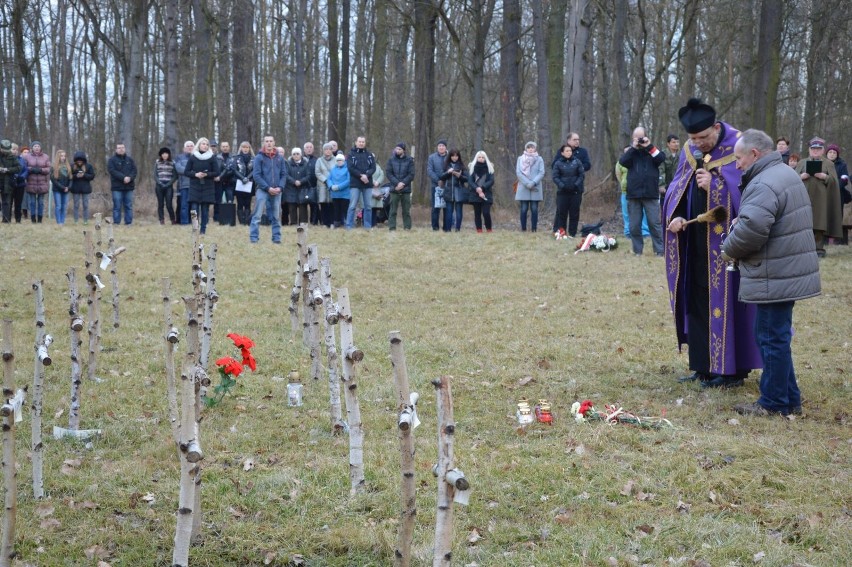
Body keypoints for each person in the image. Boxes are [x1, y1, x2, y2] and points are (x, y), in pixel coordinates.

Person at [721, 129, 820, 416]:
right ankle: (789, 398)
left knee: (769, 336)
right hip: (784, 269)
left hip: (774, 272)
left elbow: (753, 230)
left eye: (739, 158)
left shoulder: (763, 182)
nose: (736, 165)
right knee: (775, 335)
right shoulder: (782, 172)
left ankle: (774, 402)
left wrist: (728, 249)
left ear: (754, 154)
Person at [664, 97, 761, 388]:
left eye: (704, 137)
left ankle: (731, 371)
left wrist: (716, 186)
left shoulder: (739, 147)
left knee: (726, 302)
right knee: (696, 299)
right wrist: (676, 216)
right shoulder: (689, 150)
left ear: (716, 128)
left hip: (725, 245)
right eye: (693, 138)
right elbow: (676, 188)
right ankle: (703, 365)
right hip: (694, 241)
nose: (699, 143)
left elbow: (750, 196)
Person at [619, 127, 665, 255]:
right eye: (636, 137)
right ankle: (637, 251)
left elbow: (661, 158)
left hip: (650, 194)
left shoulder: (652, 152)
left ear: (646, 136)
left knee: (654, 224)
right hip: (633, 194)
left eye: (641, 137)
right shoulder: (631, 153)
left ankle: (660, 251)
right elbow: (622, 162)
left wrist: (649, 146)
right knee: (634, 225)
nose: (639, 140)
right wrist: (634, 148)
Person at [794, 137, 842, 257]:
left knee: (819, 224)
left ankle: (819, 249)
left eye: (818, 149)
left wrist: (824, 177)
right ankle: (804, 248)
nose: (815, 151)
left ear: (822, 150)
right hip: (803, 197)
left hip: (821, 199)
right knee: (804, 223)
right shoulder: (801, 163)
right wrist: (801, 176)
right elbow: (792, 180)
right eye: (813, 149)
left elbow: (834, 182)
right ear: (809, 150)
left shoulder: (829, 164)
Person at [250, 135, 286, 243]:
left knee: (276, 216)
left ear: (274, 142)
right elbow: (256, 175)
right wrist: (267, 187)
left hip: (277, 191)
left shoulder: (280, 158)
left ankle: (276, 239)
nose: (269, 143)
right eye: (267, 141)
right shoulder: (259, 157)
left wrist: (280, 187)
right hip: (262, 190)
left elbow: (284, 174)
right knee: (257, 215)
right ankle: (254, 239)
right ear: (264, 143)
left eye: (271, 141)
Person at [184, 137, 221, 234]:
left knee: (205, 209)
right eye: (203, 144)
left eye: (207, 144)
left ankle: (203, 229)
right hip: (195, 186)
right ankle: (195, 228)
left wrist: (207, 174)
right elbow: (186, 172)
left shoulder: (212, 158)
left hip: (207, 186)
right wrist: (195, 174)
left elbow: (217, 172)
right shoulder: (193, 157)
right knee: (194, 208)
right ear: (199, 145)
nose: (205, 146)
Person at [552, 143, 585, 238]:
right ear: (562, 153)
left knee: (574, 213)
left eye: (570, 151)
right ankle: (562, 233)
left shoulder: (577, 162)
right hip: (562, 192)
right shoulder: (558, 163)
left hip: (575, 191)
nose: (569, 152)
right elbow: (555, 177)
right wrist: (563, 185)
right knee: (562, 213)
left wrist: (575, 185)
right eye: (567, 151)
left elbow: (581, 175)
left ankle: (572, 233)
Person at [615, 150, 650, 238]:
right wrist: (624, 183)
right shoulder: (620, 163)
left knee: (642, 212)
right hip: (625, 192)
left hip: (639, 191)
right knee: (626, 213)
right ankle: (628, 232)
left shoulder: (639, 161)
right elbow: (618, 175)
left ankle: (644, 231)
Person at [346, 136, 376, 229]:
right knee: (352, 206)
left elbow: (373, 168)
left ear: (365, 143)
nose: (361, 143)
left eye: (363, 142)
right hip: (355, 184)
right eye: (359, 141)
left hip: (367, 184)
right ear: (356, 142)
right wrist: (361, 176)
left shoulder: (369, 155)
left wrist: (366, 175)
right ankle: (349, 226)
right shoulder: (351, 154)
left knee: (368, 206)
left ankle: (367, 226)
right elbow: (351, 168)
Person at [515, 141, 545, 232]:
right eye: (529, 147)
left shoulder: (539, 159)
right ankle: (523, 229)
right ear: (526, 148)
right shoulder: (520, 158)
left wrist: (533, 182)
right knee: (523, 209)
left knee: (534, 209)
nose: (531, 149)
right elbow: (518, 173)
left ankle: (534, 229)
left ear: (535, 148)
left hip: (535, 186)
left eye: (532, 147)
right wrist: (527, 183)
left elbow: (541, 172)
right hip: (523, 186)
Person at [386, 142, 415, 231]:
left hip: (406, 189)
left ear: (404, 150)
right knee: (393, 210)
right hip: (394, 188)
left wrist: (402, 183)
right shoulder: (391, 160)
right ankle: (392, 228)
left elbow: (411, 174)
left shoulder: (410, 160)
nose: (397, 150)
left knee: (406, 210)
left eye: (399, 149)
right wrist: (397, 183)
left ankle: (407, 227)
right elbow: (389, 173)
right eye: (396, 149)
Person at [107, 142, 138, 225]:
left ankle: (128, 222)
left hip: (129, 186)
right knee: (117, 206)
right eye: (119, 148)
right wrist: (123, 178)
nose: (121, 149)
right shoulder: (111, 160)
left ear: (125, 149)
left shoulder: (130, 160)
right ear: (116, 150)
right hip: (117, 187)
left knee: (128, 205)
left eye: (122, 147)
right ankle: (116, 222)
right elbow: (112, 171)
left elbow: (134, 171)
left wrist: (130, 178)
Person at [468, 150, 495, 233]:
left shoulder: (490, 168)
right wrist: (477, 189)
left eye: (483, 157)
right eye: (479, 157)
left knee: (486, 212)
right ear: (476, 158)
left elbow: (491, 181)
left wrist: (482, 188)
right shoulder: (472, 168)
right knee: (477, 213)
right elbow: (470, 181)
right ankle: (479, 230)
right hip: (475, 194)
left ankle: (489, 229)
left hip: (487, 193)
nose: (481, 158)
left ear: (485, 158)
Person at [441, 148, 468, 231]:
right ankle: (448, 229)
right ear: (450, 156)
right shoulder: (446, 165)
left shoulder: (462, 166)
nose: (454, 158)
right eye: (453, 156)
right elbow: (441, 177)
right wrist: (448, 172)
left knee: (459, 212)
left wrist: (459, 176)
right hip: (448, 191)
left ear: (458, 156)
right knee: (449, 212)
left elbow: (467, 179)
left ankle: (457, 229)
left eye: (456, 156)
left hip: (459, 191)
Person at [23, 141, 51, 223]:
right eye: (35, 146)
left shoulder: (46, 157)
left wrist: (41, 170)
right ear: (32, 148)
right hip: (31, 182)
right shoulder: (27, 157)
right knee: (32, 202)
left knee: (41, 202)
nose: (37, 147)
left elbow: (49, 169)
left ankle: (39, 219)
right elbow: (24, 168)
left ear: (40, 147)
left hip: (42, 183)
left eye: (38, 146)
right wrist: (31, 169)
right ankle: (33, 219)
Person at [285, 147, 311, 225]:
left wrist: (301, 181)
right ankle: (293, 224)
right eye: (294, 154)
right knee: (292, 208)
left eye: (297, 154)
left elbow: (308, 175)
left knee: (303, 207)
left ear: (301, 155)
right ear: (292, 155)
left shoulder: (306, 164)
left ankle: (303, 224)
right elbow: (286, 175)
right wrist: (294, 181)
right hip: (291, 189)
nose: (296, 155)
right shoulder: (288, 164)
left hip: (302, 189)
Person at [427, 140, 449, 231]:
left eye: (443, 146)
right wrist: (438, 180)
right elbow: (429, 170)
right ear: (437, 147)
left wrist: (444, 180)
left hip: (447, 186)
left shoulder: (450, 157)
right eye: (439, 146)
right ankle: (435, 227)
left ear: (445, 147)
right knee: (435, 208)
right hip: (435, 186)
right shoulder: (432, 157)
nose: (441, 147)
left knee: (447, 208)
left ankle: (446, 228)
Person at [69, 150, 95, 224]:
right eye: (78, 160)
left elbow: (92, 176)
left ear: (83, 160)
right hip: (75, 188)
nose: (79, 162)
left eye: (81, 160)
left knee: (86, 205)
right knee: (76, 205)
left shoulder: (88, 166)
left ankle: (85, 220)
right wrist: (76, 176)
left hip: (86, 188)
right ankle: (76, 220)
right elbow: (69, 176)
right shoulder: (72, 166)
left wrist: (84, 175)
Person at [0, 139, 22, 223]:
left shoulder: (12, 157)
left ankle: (6, 220)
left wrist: (7, 170)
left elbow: (18, 168)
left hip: (7, 182)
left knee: (6, 201)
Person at [233, 141, 255, 225]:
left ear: (249, 148)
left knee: (248, 203)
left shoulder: (254, 158)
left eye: (247, 147)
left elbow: (255, 170)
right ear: (241, 148)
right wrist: (242, 178)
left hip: (250, 183)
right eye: (243, 147)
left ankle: (247, 221)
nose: (245, 149)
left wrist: (247, 178)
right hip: (239, 183)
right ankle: (241, 222)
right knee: (240, 203)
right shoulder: (236, 158)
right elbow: (234, 169)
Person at [314, 143, 336, 227]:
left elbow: (338, 170)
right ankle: (325, 222)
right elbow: (317, 172)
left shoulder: (335, 160)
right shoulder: (319, 160)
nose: (328, 151)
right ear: (323, 151)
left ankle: (332, 222)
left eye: (329, 149)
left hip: (333, 184)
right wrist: (325, 180)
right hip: (322, 184)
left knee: (332, 204)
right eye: (326, 149)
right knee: (323, 204)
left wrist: (332, 181)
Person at [154, 147, 177, 224]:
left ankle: (173, 219)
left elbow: (175, 176)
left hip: (168, 186)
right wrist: (159, 183)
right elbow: (155, 175)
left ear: (168, 154)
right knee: (160, 204)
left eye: (166, 154)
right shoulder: (157, 162)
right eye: (163, 154)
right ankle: (161, 219)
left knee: (169, 204)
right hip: (159, 185)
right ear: (161, 155)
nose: (164, 155)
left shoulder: (172, 163)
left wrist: (168, 184)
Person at [328, 153, 351, 227]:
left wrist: (339, 187)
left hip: (345, 194)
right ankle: (336, 224)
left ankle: (347, 223)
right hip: (335, 194)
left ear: (344, 161)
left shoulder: (348, 169)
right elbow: (329, 179)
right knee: (336, 209)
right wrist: (331, 186)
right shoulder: (333, 169)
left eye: (340, 160)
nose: (339, 162)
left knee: (345, 210)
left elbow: (348, 181)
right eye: (337, 160)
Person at [174, 140, 194, 224]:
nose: (189, 147)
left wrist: (188, 172)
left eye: (191, 146)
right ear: (184, 148)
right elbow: (178, 169)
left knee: (194, 206)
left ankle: (194, 222)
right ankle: (184, 223)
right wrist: (191, 172)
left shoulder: (197, 157)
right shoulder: (179, 157)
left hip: (195, 185)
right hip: (184, 185)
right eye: (188, 146)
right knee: (184, 206)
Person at [50, 150, 71, 225]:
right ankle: (59, 222)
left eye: (64, 156)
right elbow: (54, 180)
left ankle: (62, 221)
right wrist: (62, 187)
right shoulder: (53, 167)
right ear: (58, 157)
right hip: (57, 190)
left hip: (66, 190)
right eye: (61, 156)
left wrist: (69, 187)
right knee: (58, 206)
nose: (63, 157)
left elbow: (70, 179)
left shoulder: (68, 166)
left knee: (64, 206)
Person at [660, 134, 680, 205]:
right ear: (668, 144)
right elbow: (661, 171)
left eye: (677, 142)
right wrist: (661, 185)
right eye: (674, 142)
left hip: (678, 185)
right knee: (666, 205)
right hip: (666, 186)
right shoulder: (663, 155)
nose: (676, 144)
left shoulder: (681, 154)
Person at [303, 142, 319, 225]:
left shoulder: (317, 160)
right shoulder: (301, 159)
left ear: (313, 149)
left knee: (314, 205)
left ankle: (314, 222)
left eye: (310, 147)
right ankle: (303, 222)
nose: (309, 149)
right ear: (304, 149)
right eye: (307, 147)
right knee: (303, 205)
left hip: (314, 186)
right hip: (302, 187)